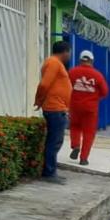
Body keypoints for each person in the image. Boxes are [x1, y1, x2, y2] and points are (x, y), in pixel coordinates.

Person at [34, 41, 73, 183]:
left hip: (59, 108)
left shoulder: (55, 63)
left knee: (56, 141)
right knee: (54, 141)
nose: (70, 55)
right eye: (69, 52)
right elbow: (44, 84)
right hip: (54, 108)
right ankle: (49, 173)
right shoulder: (53, 63)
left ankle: (51, 171)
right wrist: (38, 100)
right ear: (65, 52)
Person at [67, 50, 109, 166]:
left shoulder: (72, 72)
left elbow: (66, 87)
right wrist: (95, 97)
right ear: (91, 61)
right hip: (90, 108)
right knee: (89, 133)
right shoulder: (97, 75)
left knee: (75, 126)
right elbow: (105, 92)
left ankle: (75, 145)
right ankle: (84, 158)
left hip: (75, 106)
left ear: (80, 60)